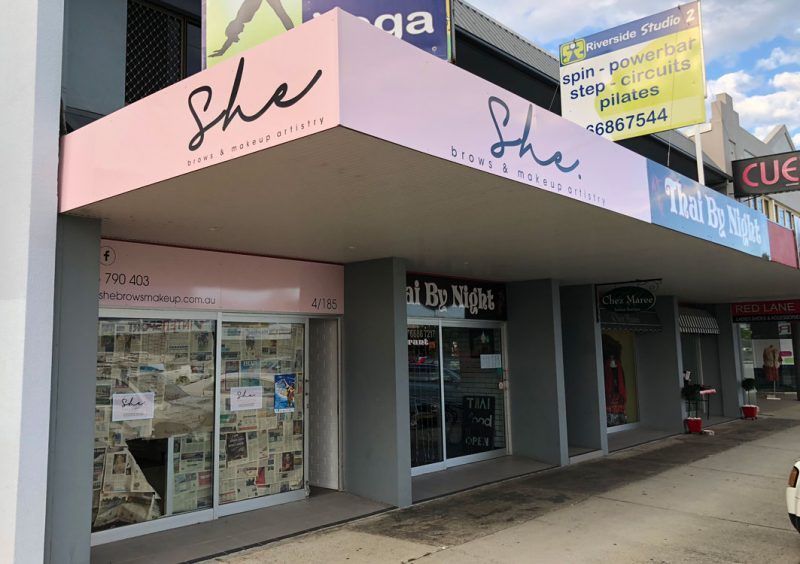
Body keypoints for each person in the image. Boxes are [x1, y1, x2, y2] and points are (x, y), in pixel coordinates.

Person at [210, 0, 295, 58]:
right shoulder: (241, 18)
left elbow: (231, 36)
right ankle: (294, 33)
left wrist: (223, 49)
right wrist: (223, 50)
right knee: (281, 13)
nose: (242, 31)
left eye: (238, 32)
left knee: (281, 13)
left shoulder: (241, 17)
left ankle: (294, 34)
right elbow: (231, 35)